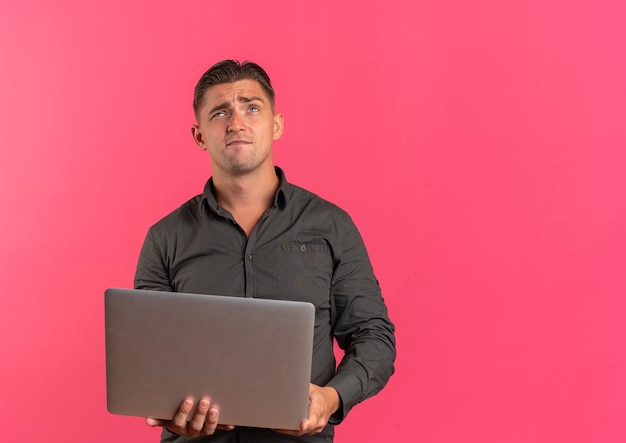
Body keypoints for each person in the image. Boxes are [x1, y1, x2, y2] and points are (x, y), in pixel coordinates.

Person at [134, 60, 396, 442]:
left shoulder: (331, 226)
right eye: (220, 111)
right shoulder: (164, 238)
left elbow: (373, 336)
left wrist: (331, 398)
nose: (236, 122)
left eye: (251, 108)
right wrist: (165, 409)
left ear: (276, 125)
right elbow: (149, 357)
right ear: (199, 135)